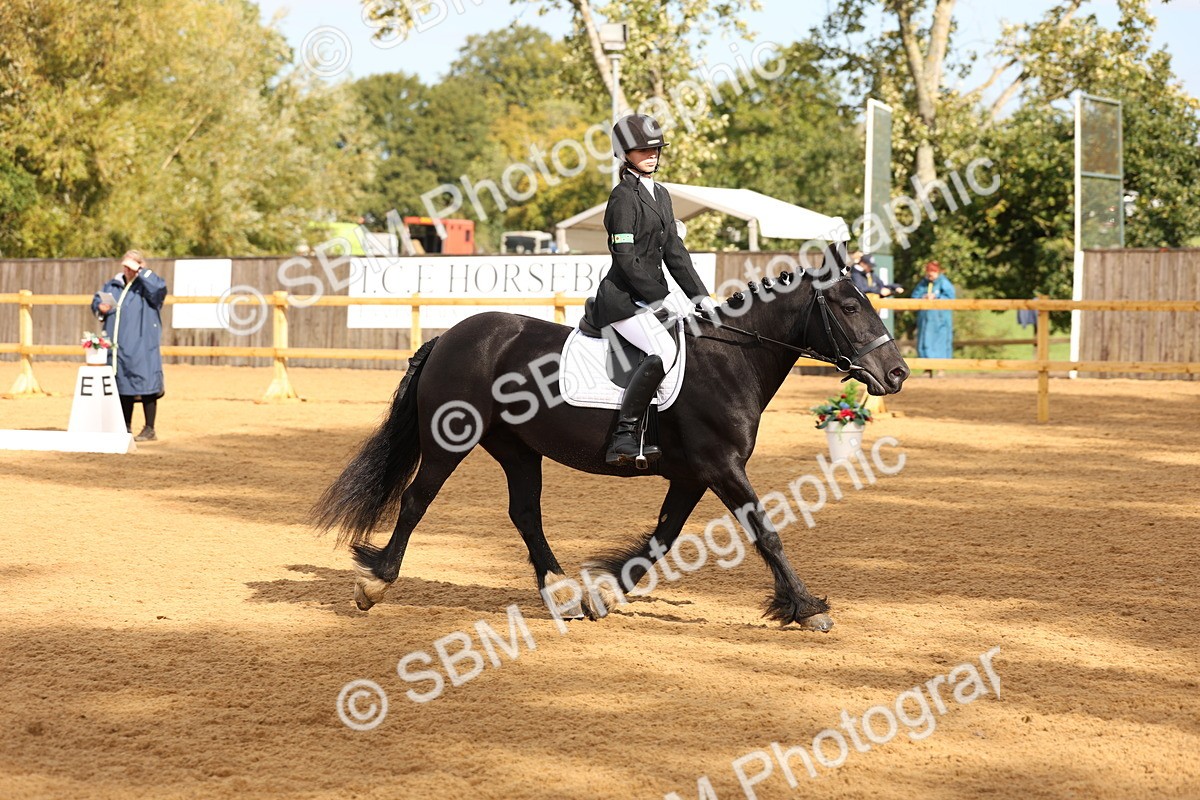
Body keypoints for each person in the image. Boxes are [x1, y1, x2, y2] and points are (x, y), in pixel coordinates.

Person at [584, 114, 717, 466]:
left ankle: (659, 431)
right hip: (622, 301)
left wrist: (702, 299)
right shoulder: (622, 198)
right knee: (662, 350)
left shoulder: (661, 194)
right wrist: (664, 297)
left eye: (655, 148)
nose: (652, 154)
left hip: (648, 300)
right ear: (624, 153)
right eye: (643, 149)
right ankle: (624, 437)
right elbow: (626, 261)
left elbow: (676, 253)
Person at [91, 249, 168, 440]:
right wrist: (100, 307)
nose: (127, 270)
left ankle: (150, 428)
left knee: (146, 382)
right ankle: (125, 427)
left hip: (142, 343)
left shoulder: (147, 286)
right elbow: (98, 300)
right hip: (119, 345)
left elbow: (160, 290)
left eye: (131, 266)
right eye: (125, 266)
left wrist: (142, 273)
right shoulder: (113, 285)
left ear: (140, 266)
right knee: (123, 384)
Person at [911, 260, 955, 376]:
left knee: (941, 342)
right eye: (928, 273)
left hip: (940, 320)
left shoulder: (944, 283)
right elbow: (914, 296)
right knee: (924, 342)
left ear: (937, 272)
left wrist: (937, 297)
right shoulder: (923, 284)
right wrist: (923, 297)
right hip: (925, 321)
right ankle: (927, 368)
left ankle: (941, 368)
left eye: (933, 273)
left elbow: (951, 297)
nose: (930, 275)